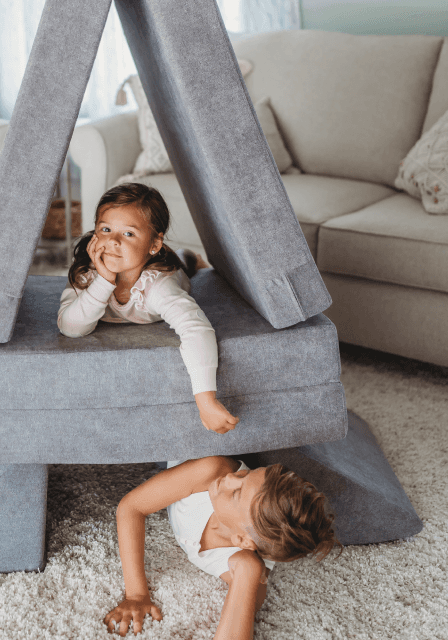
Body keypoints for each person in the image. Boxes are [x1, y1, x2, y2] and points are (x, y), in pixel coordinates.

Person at [57, 182, 238, 434]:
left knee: (183, 265)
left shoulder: (158, 286)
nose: (113, 241)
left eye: (129, 233)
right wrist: (104, 281)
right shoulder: (86, 274)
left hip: (169, 269)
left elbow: (196, 330)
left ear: (153, 244)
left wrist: (206, 401)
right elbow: (70, 327)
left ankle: (190, 257)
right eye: (106, 229)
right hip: (115, 274)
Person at [104, 456, 342, 639]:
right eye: (246, 474)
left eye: (236, 493)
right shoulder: (213, 471)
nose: (230, 478)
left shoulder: (246, 562)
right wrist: (136, 594)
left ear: (242, 541)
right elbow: (132, 507)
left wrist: (250, 570)